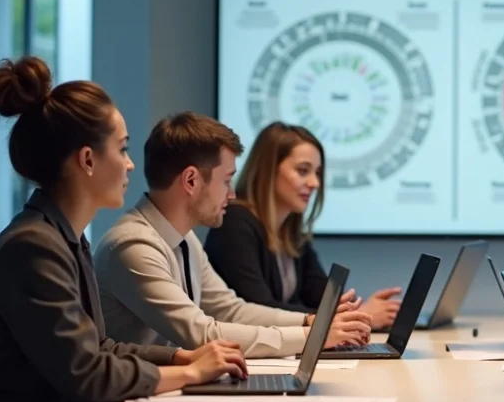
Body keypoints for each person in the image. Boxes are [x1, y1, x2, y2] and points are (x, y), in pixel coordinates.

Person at [0, 58, 246, 402]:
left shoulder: (62, 237)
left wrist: (180, 358)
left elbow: (98, 346)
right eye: (123, 148)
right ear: (88, 160)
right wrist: (192, 374)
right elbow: (87, 375)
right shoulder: (33, 248)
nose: (131, 164)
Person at [94, 113, 371, 359]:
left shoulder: (184, 239)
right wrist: (314, 337)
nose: (232, 194)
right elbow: (201, 334)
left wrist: (309, 322)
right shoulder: (133, 245)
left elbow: (230, 310)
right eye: (226, 180)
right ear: (191, 181)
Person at [204, 122, 402, 329]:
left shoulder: (290, 232)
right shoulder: (234, 223)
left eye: (317, 173)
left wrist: (356, 314)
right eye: (303, 171)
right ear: (269, 170)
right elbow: (258, 309)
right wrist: (359, 315)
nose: (315, 183)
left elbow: (324, 299)